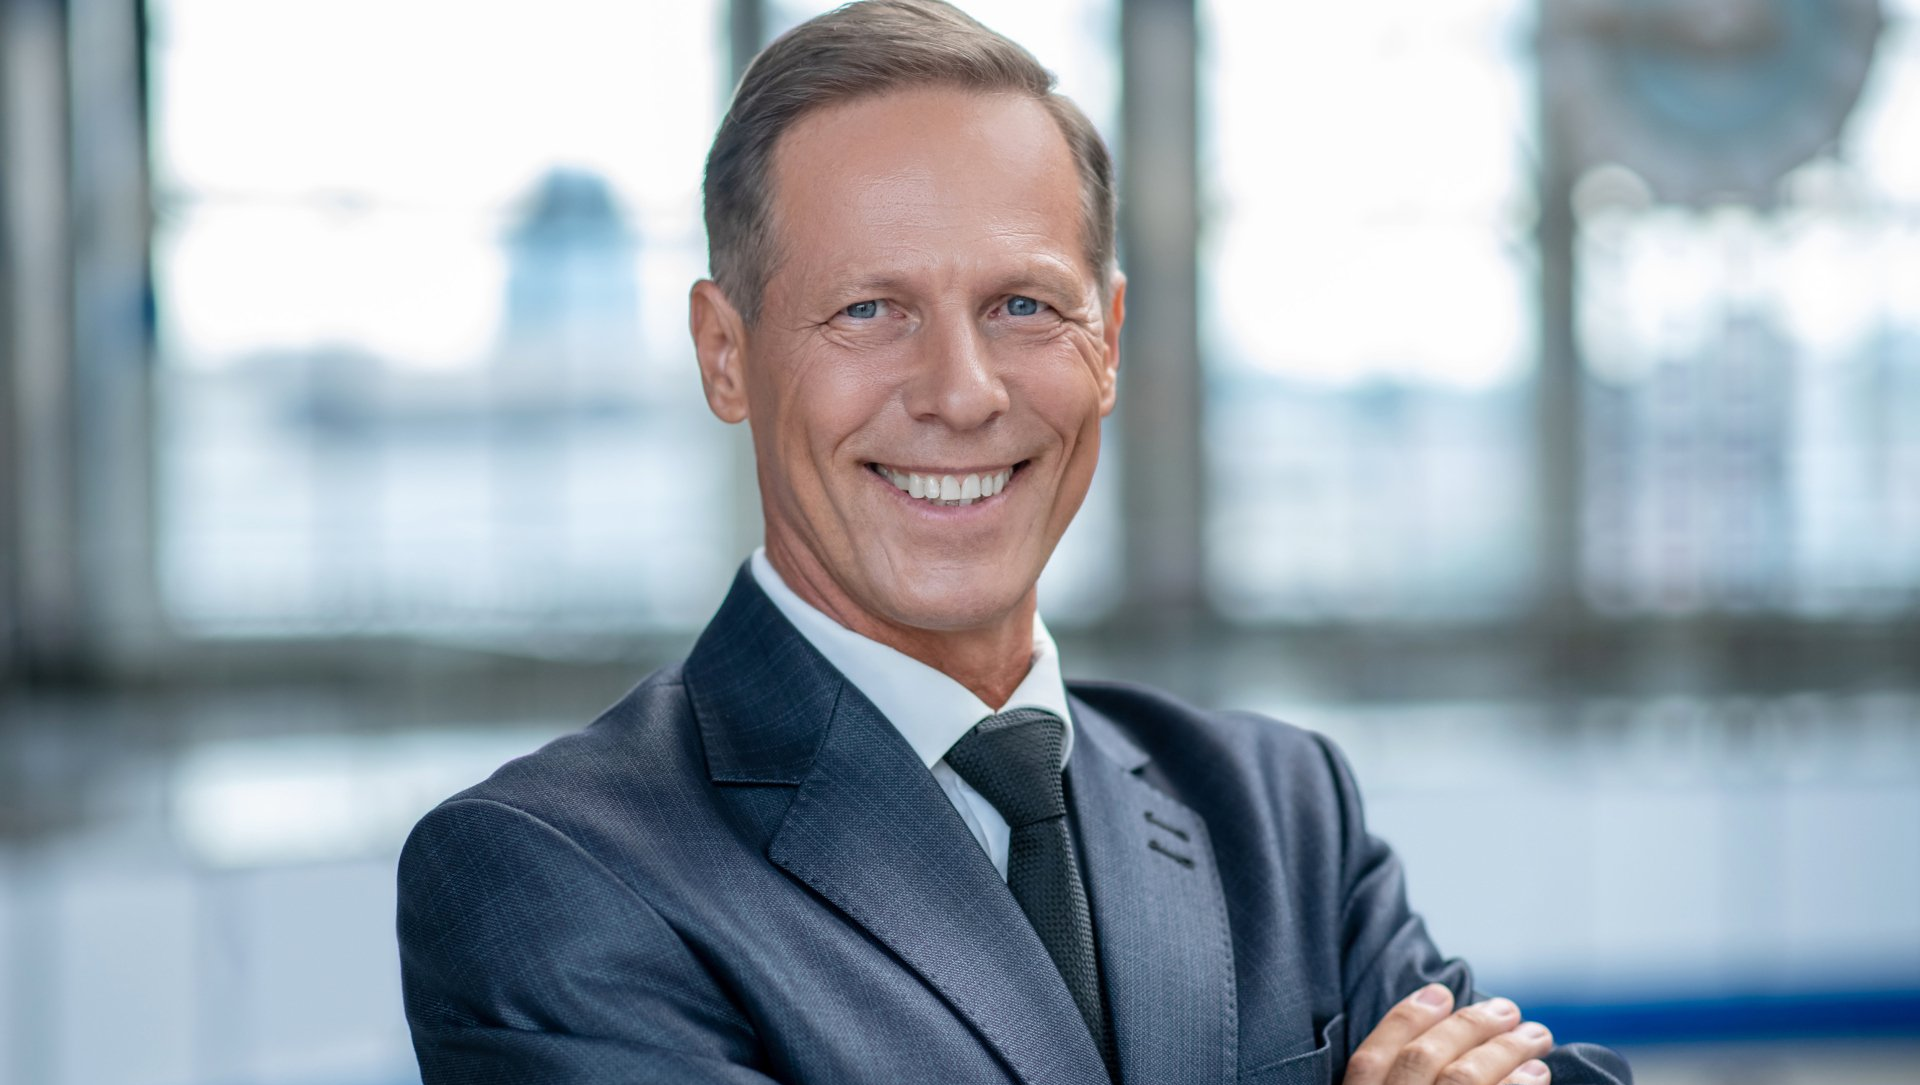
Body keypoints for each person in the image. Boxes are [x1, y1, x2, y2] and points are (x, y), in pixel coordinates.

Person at [395, 3, 1633, 1083]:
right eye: (870, 309)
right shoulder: (555, 874)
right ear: (726, 353)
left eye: (1024, 305)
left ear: (1110, 341)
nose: (963, 391)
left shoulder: (1279, 811)